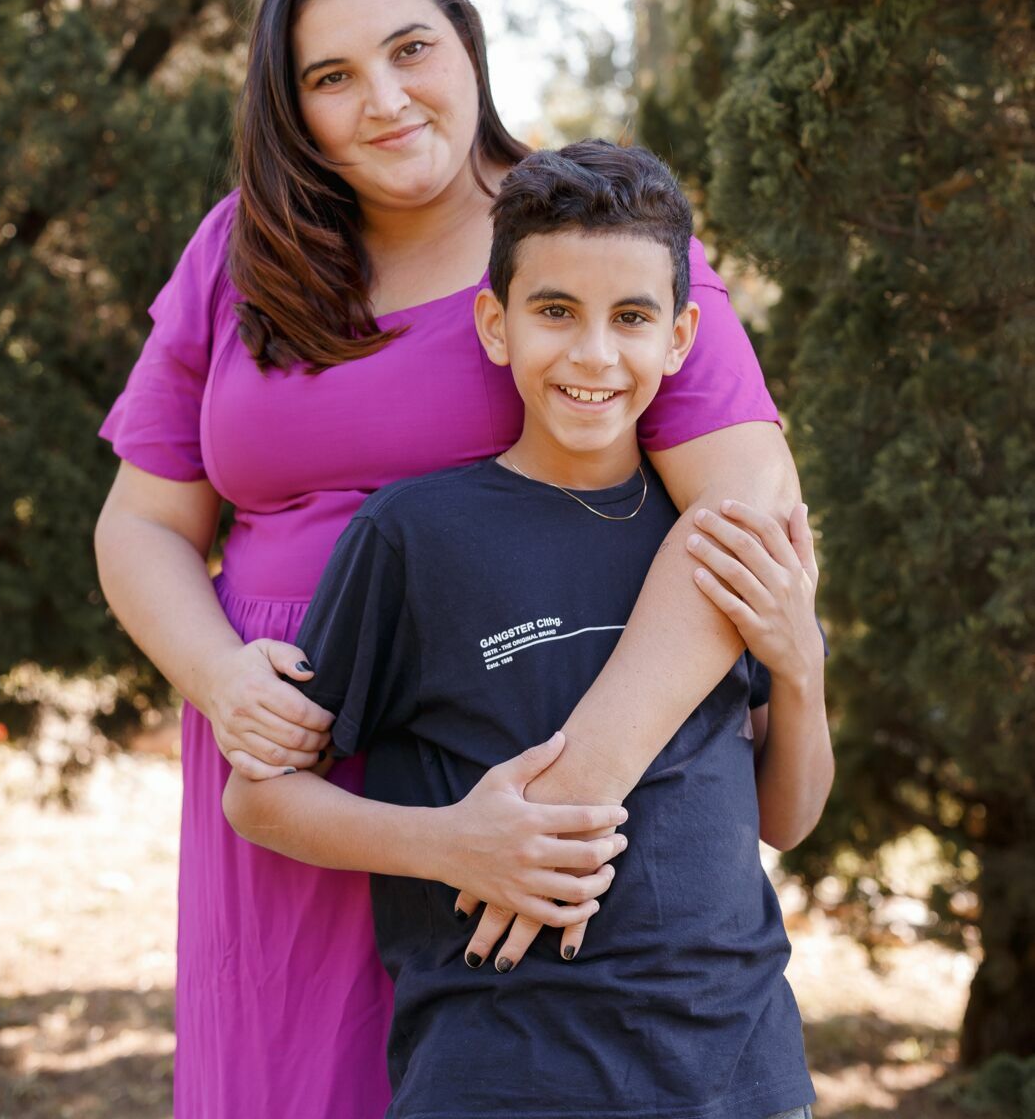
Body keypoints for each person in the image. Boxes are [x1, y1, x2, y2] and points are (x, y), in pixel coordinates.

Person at [94, 0, 802, 1119]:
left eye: (409, 48)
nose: (383, 100)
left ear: (466, 42)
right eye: (330, 76)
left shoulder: (579, 246)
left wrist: (559, 806)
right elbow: (141, 523)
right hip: (292, 777)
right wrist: (221, 679)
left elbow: (748, 523)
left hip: (523, 771)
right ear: (289, 106)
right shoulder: (236, 252)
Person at [223, 141, 833, 1119]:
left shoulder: (711, 544)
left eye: (630, 317)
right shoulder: (413, 537)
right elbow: (258, 801)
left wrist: (800, 670)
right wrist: (448, 844)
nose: (593, 355)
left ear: (680, 337)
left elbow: (785, 821)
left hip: (740, 1074)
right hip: (500, 1073)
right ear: (493, 324)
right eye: (555, 311)